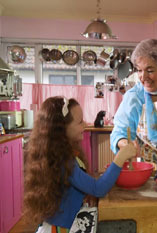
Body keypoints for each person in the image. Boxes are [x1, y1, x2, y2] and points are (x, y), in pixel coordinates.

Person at [23, 96, 136, 232]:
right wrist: (120, 157)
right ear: (62, 128)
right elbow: (98, 189)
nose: (85, 125)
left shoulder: (58, 154)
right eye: (80, 122)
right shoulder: (63, 161)